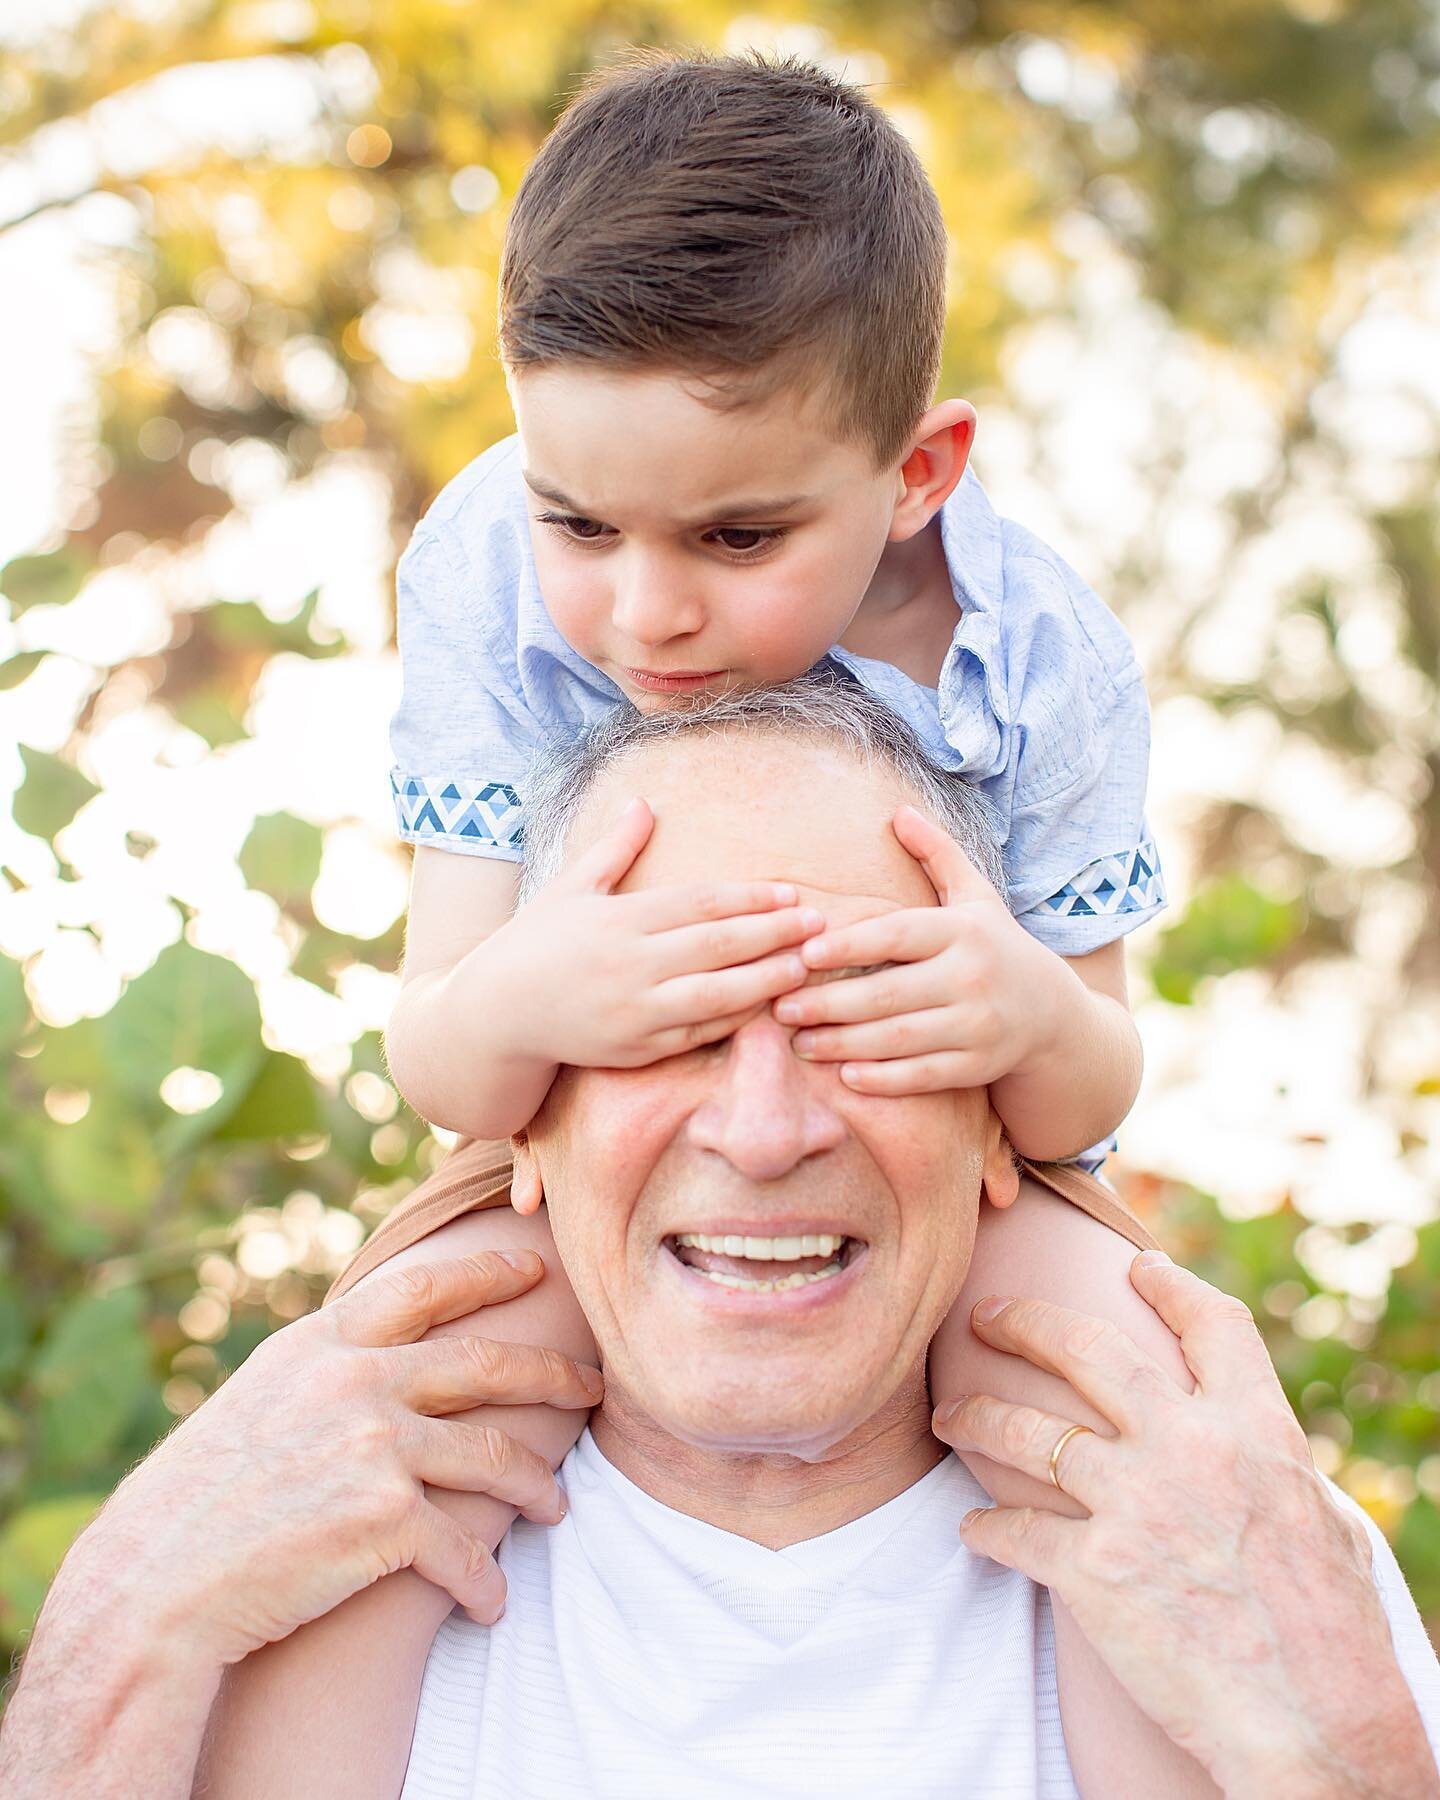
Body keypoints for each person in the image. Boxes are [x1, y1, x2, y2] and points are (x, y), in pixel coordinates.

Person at [9, 679, 1430, 1799]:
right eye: (666, 1028)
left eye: (864, 1017)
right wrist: (116, 1630)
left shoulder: (1251, 1572)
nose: (764, 1130)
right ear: (527, 1120)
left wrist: (1332, 1766)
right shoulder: (262, 1564)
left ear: (1005, 1123)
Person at [373, 42, 1169, 1767]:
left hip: (965, 1168)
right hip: (571, 1149)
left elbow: (1095, 1088)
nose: (642, 613)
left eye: (736, 539)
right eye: (580, 518)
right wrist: (538, 991)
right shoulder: (484, 580)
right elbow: (441, 1057)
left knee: (1129, 1406)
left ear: (919, 474)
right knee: (377, 1412)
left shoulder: (1037, 655)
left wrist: (1020, 1012)